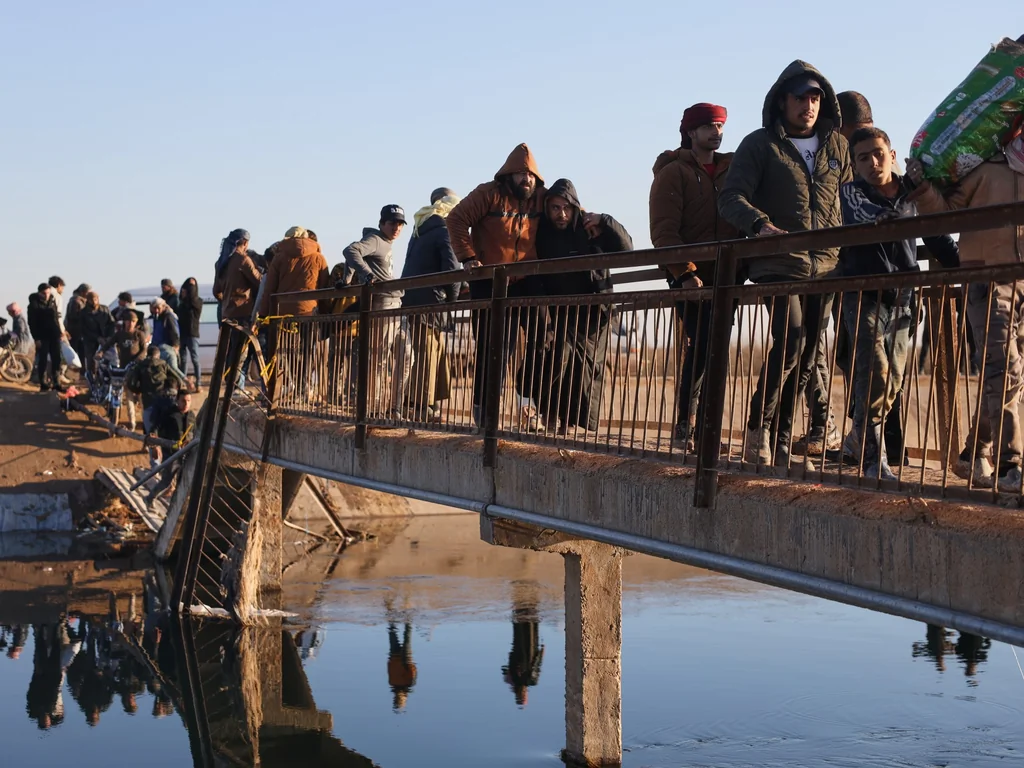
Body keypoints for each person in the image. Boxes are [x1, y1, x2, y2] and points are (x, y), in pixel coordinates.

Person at [719, 61, 852, 467]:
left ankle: (779, 439)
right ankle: (758, 428)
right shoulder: (760, 144)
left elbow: (850, 202)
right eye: (800, 98)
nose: (808, 106)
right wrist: (759, 225)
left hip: (826, 268)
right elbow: (730, 198)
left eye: (815, 98)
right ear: (782, 101)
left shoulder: (837, 146)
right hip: (778, 263)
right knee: (791, 340)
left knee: (810, 354)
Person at [908, 130, 1024, 492]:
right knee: (1005, 369)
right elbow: (946, 214)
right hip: (988, 279)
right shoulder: (988, 168)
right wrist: (923, 188)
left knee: (1013, 376)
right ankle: (1011, 464)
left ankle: (975, 451)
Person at [838, 127, 954, 480]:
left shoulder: (911, 192)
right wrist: (904, 199)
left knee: (895, 381)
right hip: (863, 292)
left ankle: (859, 434)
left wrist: (972, 270)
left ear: (891, 154)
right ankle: (874, 460)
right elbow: (868, 215)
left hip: (904, 293)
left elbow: (938, 237)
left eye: (878, 153)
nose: (872, 163)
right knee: (876, 369)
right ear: (854, 165)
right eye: (862, 158)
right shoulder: (850, 194)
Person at [650, 102, 740, 450]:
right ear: (691, 133)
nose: (716, 133)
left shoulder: (730, 170)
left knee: (715, 348)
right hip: (688, 277)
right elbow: (663, 231)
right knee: (702, 345)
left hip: (726, 275)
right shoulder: (674, 172)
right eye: (708, 127)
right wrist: (685, 273)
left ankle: (705, 428)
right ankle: (686, 425)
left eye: (720, 126)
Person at [446, 143, 549, 428]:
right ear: (508, 176)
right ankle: (485, 412)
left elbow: (569, 208)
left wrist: (594, 221)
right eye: (520, 174)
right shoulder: (488, 194)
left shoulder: (542, 198)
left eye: (530, 175)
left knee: (543, 339)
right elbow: (455, 219)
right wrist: (468, 258)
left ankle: (526, 403)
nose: (526, 180)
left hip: (527, 278)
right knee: (494, 348)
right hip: (489, 280)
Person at [536, 178, 633, 434]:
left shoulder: (591, 229)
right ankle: (549, 415)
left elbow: (626, 248)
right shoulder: (542, 235)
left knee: (585, 371)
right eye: (555, 208)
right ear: (547, 208)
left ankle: (569, 424)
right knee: (555, 362)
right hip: (557, 311)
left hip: (592, 313)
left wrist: (605, 220)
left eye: (566, 208)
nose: (561, 214)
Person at [344, 206, 413, 417]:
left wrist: (346, 279)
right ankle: (372, 410)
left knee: (407, 358)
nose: (396, 228)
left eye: (400, 224)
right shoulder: (376, 240)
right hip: (384, 305)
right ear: (382, 223)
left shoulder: (384, 243)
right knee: (379, 359)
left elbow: (354, 256)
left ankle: (394, 408)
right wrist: (365, 275)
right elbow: (350, 250)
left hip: (396, 305)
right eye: (392, 223)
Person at [402, 188, 463, 421]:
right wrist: (454, 300)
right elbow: (451, 268)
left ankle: (428, 404)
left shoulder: (421, 226)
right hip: (431, 299)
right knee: (428, 352)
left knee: (431, 350)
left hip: (414, 297)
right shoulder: (446, 228)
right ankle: (421, 407)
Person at [101, 311, 148, 430]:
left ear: (136, 322)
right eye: (128, 321)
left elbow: (144, 350)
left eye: (133, 321)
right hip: (124, 369)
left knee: (141, 397)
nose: (130, 323)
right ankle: (132, 422)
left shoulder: (139, 334)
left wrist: (137, 359)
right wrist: (101, 352)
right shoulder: (120, 334)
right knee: (129, 396)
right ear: (124, 322)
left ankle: (145, 422)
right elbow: (109, 344)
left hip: (137, 370)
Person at [149, 390, 196, 502]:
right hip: (171, 453)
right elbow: (155, 428)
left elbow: (196, 433)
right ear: (177, 401)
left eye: (188, 401)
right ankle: (150, 498)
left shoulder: (192, 416)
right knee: (166, 481)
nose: (186, 404)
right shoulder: (169, 414)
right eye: (183, 401)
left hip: (187, 454)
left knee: (184, 480)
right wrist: (155, 445)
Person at [27, 283, 63, 391]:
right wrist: (36, 338)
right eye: (44, 293)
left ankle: (57, 383)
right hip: (42, 336)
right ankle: (43, 383)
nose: (46, 295)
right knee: (43, 360)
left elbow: (56, 317)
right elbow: (32, 323)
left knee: (56, 359)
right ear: (39, 293)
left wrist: (60, 332)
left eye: (48, 293)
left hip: (54, 335)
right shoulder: (33, 305)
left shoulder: (52, 302)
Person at [149, 298, 187, 386]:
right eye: (154, 308)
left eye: (158, 308)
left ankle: (184, 383)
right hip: (157, 346)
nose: (156, 310)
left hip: (167, 347)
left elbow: (175, 331)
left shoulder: (169, 316)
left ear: (163, 307)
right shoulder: (156, 317)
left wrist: (176, 345)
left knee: (172, 368)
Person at [176, 277, 203, 388]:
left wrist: (190, 286)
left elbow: (193, 299)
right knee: (183, 360)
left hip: (192, 334)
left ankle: (198, 383)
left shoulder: (197, 302)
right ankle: (183, 382)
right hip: (182, 334)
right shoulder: (181, 305)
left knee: (195, 359)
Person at [79, 291, 114, 375]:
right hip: (90, 340)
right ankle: (91, 379)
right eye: (91, 300)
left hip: (105, 338)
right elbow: (83, 329)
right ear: (87, 300)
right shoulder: (83, 313)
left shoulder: (105, 309)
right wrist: (97, 338)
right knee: (91, 360)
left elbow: (112, 323)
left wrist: (110, 336)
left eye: (95, 299)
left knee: (108, 359)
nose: (94, 302)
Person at [386, 621, 417, 712]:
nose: (399, 698)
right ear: (405, 698)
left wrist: (390, 660)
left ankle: (391, 614)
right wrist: (408, 663)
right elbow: (413, 671)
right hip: (405, 657)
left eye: (397, 700)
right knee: (407, 634)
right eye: (400, 701)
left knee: (392, 632)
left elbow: (390, 670)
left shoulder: (392, 683)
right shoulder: (409, 684)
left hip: (394, 656)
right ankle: (408, 617)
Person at [64, 283, 90, 366]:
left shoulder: (81, 301)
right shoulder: (76, 301)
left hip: (78, 331)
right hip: (74, 331)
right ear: (83, 292)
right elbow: (73, 316)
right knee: (72, 353)